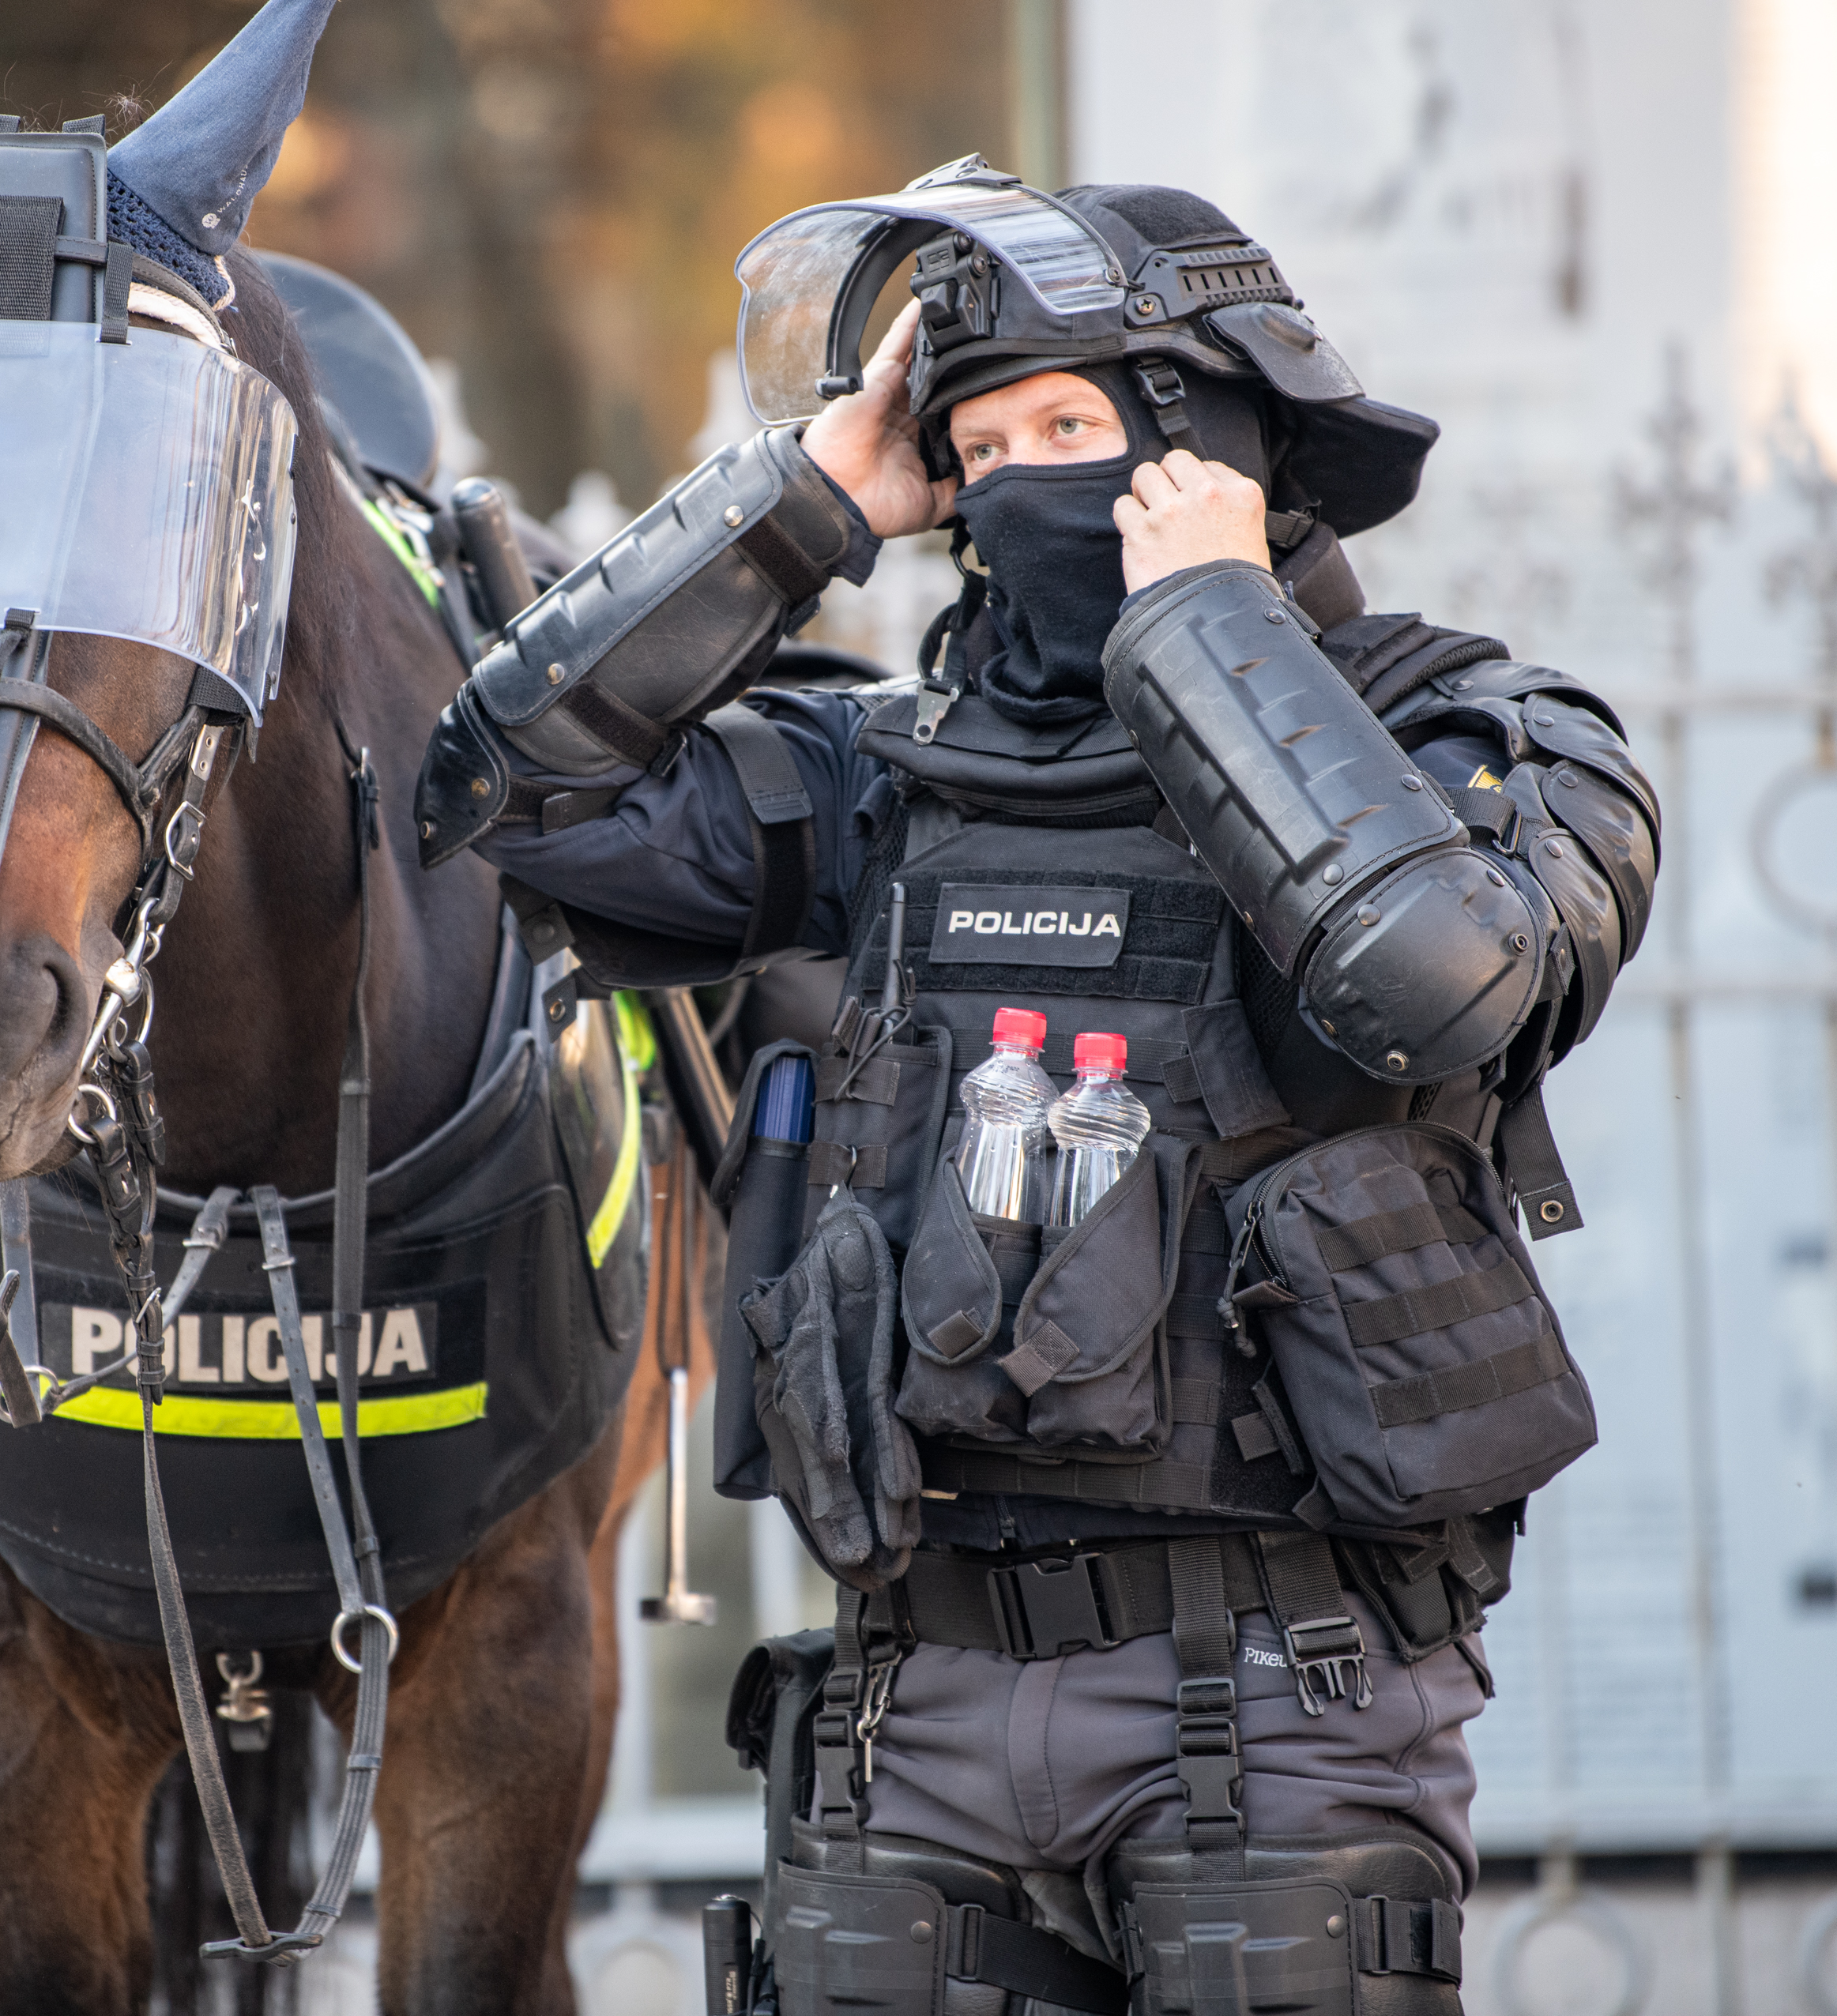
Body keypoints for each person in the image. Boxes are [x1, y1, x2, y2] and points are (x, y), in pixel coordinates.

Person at [415, 166, 1659, 2013]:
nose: (1017, 482)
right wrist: (805, 505)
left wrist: (1215, 626)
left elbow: (1440, 979)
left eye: (1072, 426)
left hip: (1281, 1701)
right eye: (980, 447)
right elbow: (505, 791)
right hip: (909, 1708)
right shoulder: (884, 771)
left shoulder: (1482, 741)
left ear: (1223, 437)